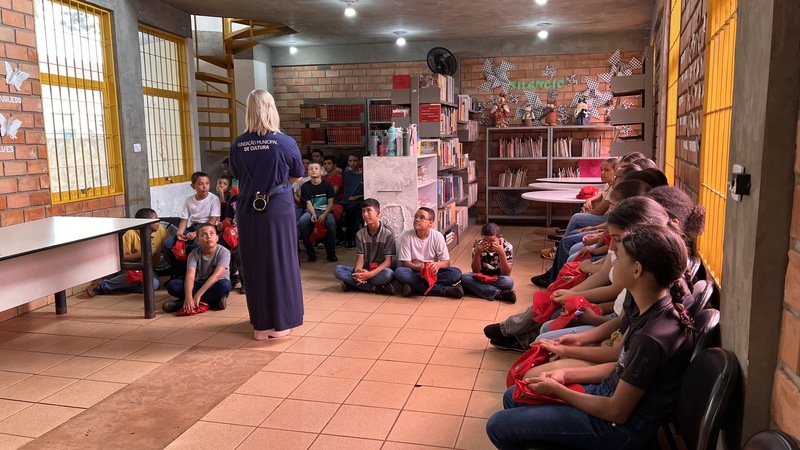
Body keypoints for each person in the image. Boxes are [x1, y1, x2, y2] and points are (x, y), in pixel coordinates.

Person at [485, 225, 697, 450]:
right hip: (607, 394)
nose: (614, 262)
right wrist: (564, 375)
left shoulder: (652, 336)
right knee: (513, 396)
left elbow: (616, 411)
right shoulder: (651, 309)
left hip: (617, 428)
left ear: (637, 269)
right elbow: (619, 366)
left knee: (498, 426)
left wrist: (559, 391)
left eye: (620, 258)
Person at [229, 89, 305, 341]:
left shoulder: (238, 144)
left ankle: (261, 325)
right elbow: (297, 175)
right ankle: (282, 322)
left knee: (254, 263)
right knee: (281, 262)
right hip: (278, 207)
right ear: (272, 109)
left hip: (248, 208)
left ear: (249, 111)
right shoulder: (285, 142)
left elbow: (236, 174)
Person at [86, 208, 168, 297]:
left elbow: (167, 249)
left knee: (153, 285)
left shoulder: (162, 231)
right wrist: (141, 254)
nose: (158, 221)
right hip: (130, 269)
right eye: (155, 219)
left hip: (148, 269)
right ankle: (102, 286)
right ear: (146, 222)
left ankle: (113, 286)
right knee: (138, 279)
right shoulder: (130, 234)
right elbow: (121, 258)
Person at [163, 223, 232, 314]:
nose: (209, 237)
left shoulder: (224, 252)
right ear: (198, 240)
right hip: (200, 283)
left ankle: (180, 304)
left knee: (225, 285)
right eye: (204, 235)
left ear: (217, 238)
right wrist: (188, 297)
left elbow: (216, 276)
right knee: (173, 285)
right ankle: (213, 302)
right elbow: (190, 276)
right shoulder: (194, 254)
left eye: (212, 234)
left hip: (216, 283)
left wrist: (198, 295)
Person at [395, 207, 464, 298]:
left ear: (430, 223)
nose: (417, 220)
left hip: (432, 272)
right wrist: (420, 269)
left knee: (456, 273)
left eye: (422, 218)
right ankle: (444, 290)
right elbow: (406, 263)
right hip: (415, 271)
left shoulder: (437, 236)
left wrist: (437, 265)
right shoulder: (407, 236)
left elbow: (446, 262)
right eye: (416, 217)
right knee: (400, 272)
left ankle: (414, 287)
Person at [162, 171, 221, 278]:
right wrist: (179, 233)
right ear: (193, 186)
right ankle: (180, 273)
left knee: (195, 245)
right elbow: (184, 220)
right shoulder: (189, 200)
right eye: (200, 184)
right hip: (193, 227)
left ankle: (197, 275)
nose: (205, 187)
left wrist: (196, 233)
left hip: (208, 228)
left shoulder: (214, 199)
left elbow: (212, 221)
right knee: (167, 245)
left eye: (207, 183)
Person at [333, 198, 396, 294]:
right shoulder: (360, 234)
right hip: (365, 268)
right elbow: (360, 259)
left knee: (388, 274)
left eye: (369, 211)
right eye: (363, 211)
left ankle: (352, 284)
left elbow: (388, 262)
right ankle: (374, 288)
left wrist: (370, 274)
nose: (365, 214)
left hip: (379, 270)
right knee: (338, 270)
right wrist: (358, 273)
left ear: (377, 213)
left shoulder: (388, 233)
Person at [461, 222, 516, 303]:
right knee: (465, 277)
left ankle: (475, 289)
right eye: (485, 240)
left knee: (508, 282)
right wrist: (477, 253)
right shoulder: (479, 245)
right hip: (482, 275)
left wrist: (502, 254)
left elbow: (506, 272)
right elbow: (475, 270)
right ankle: (499, 294)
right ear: (482, 237)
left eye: (492, 241)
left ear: (499, 238)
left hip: (498, 276)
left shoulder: (507, 246)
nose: (489, 244)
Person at [298, 162, 338, 262]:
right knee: (302, 222)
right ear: (308, 172)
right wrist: (313, 214)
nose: (313, 170)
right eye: (311, 169)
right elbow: (308, 203)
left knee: (330, 223)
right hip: (312, 210)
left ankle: (331, 253)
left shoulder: (327, 185)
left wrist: (324, 215)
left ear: (321, 172)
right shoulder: (305, 186)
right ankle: (310, 251)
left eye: (316, 168)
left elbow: (330, 204)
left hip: (326, 211)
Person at [337, 152, 365, 248]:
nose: (352, 163)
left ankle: (350, 239)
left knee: (350, 211)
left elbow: (368, 192)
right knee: (333, 211)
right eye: (350, 161)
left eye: (355, 161)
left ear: (360, 161)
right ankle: (340, 237)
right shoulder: (345, 173)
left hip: (357, 202)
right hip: (343, 201)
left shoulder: (364, 175)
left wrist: (357, 196)